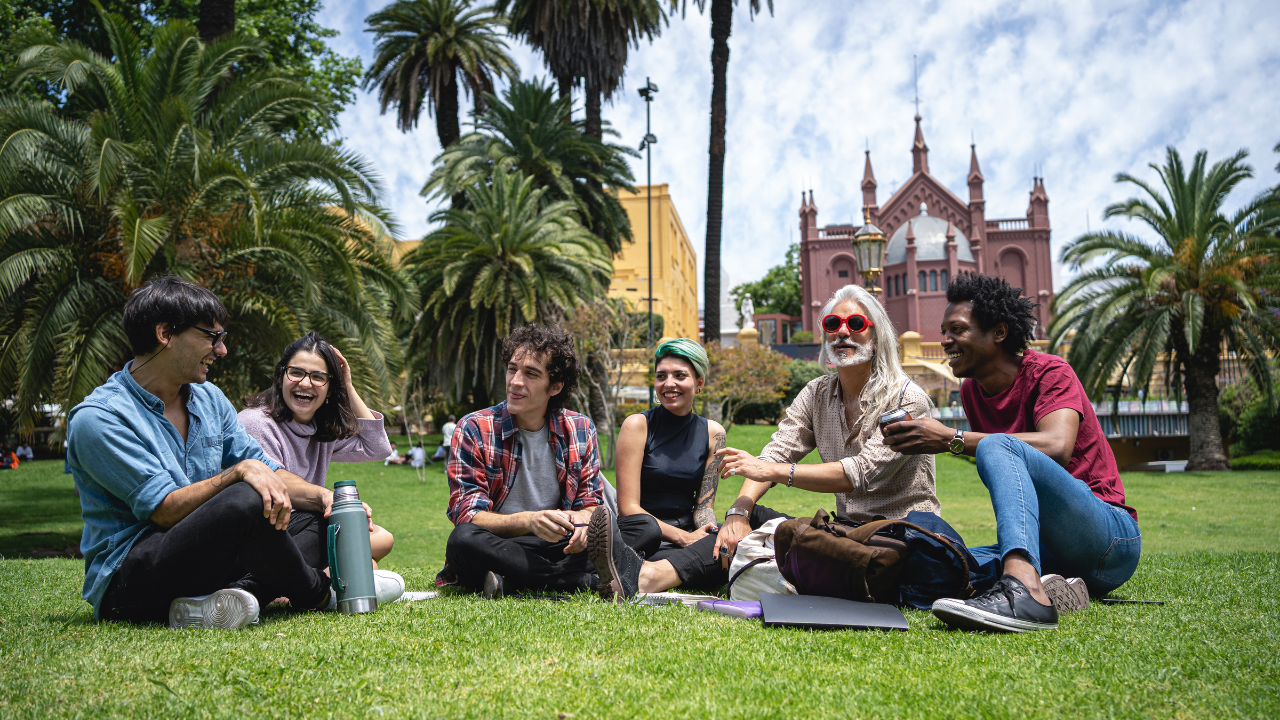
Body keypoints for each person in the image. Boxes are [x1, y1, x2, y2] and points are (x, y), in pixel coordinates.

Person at [589, 285, 938, 600]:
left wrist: (770, 469)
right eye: (833, 324)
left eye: (856, 325)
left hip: (896, 538)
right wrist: (738, 513)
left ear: (876, 337)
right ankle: (649, 574)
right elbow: (778, 450)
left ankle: (645, 575)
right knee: (743, 521)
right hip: (846, 531)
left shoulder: (907, 400)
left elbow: (860, 474)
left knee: (796, 545)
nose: (843, 332)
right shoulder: (817, 394)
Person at [68, 277, 347, 629]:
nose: (221, 350)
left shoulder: (209, 399)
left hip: (205, 560)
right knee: (247, 497)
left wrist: (326, 497)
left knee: (311, 514)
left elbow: (266, 468)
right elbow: (164, 511)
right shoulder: (99, 419)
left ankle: (231, 600)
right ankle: (319, 594)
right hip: (131, 577)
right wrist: (236, 473)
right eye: (211, 337)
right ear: (165, 333)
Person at [885, 272, 1139, 633]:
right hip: (1054, 552)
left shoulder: (1051, 372)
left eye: (957, 329)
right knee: (938, 557)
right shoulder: (973, 390)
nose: (945, 341)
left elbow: (1057, 446)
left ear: (999, 332)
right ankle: (1053, 586)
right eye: (944, 331)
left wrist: (950, 438)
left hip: (1110, 540)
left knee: (996, 443)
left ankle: (1025, 591)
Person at [440, 323, 660, 597]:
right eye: (512, 369)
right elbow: (467, 514)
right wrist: (530, 521)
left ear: (554, 387)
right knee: (462, 540)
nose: (515, 381)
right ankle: (581, 582)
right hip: (505, 544)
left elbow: (591, 503)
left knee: (645, 528)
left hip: (563, 545)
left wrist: (581, 523)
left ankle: (514, 582)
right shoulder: (474, 427)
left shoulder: (580, 428)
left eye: (531, 374)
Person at [238, 332, 403, 600]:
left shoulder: (320, 429)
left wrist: (348, 386)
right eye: (296, 373)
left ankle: (304, 584)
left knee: (382, 540)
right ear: (281, 376)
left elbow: (378, 447)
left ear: (329, 387)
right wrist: (328, 499)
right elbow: (271, 485)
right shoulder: (257, 422)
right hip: (268, 530)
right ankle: (294, 585)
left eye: (318, 377)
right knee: (362, 560)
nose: (305, 383)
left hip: (306, 526)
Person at [600, 339, 727, 593]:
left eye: (680, 375)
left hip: (686, 533)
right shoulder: (637, 425)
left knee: (728, 539)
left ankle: (645, 573)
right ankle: (673, 570)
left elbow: (704, 506)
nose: (669, 383)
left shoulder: (714, 433)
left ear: (699, 382)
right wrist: (684, 539)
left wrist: (708, 532)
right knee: (647, 531)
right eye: (661, 376)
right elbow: (628, 509)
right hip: (642, 533)